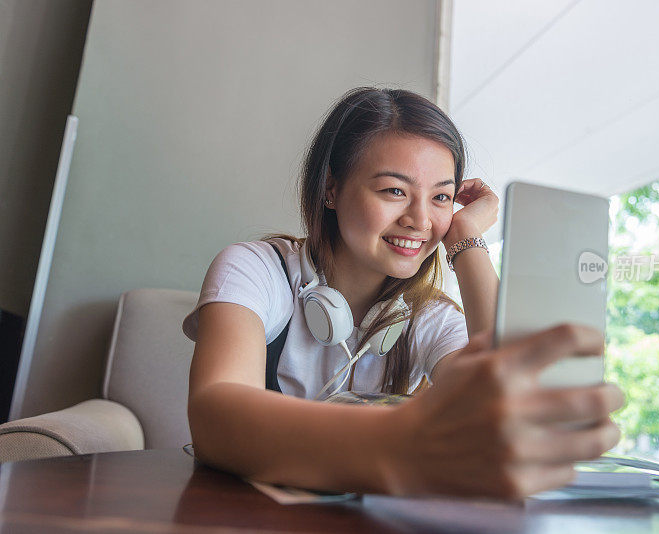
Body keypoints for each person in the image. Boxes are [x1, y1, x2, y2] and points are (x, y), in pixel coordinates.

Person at [183, 87, 624, 499]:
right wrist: (401, 445)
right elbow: (213, 416)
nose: (421, 220)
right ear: (331, 189)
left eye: (441, 198)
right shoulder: (257, 268)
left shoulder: (427, 315)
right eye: (395, 190)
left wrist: (465, 240)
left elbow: (513, 403)